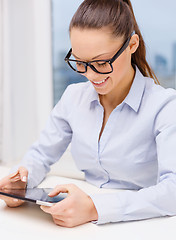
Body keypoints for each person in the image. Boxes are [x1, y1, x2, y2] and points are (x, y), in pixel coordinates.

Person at [1, 0, 176, 228]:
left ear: (132, 44)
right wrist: (21, 183)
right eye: (81, 62)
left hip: (145, 224)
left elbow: (172, 191)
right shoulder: (74, 97)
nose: (91, 76)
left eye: (102, 63)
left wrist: (95, 208)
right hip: (81, 223)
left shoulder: (164, 106)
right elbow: (41, 155)